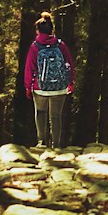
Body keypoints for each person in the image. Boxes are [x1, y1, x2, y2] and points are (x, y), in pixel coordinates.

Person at [23, 11, 74, 149]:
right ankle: (56, 145)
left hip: (40, 88)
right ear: (52, 30)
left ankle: (41, 142)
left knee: (40, 112)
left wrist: (28, 86)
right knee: (56, 116)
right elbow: (69, 64)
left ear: (38, 31)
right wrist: (70, 83)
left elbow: (29, 68)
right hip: (59, 87)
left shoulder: (35, 46)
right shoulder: (60, 45)